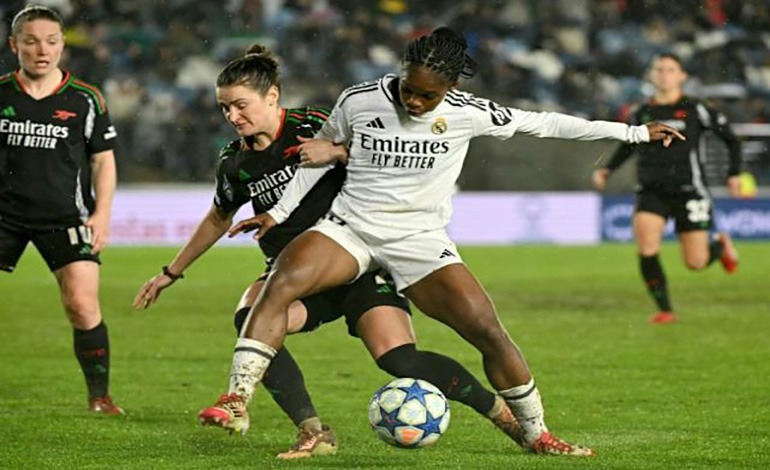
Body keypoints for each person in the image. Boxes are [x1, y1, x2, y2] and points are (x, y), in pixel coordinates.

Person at [199, 27, 685, 457]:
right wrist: (279, 213)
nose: (413, 102)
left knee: (487, 330)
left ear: (450, 90)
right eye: (409, 90)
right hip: (350, 226)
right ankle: (236, 398)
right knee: (279, 281)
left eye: (426, 98)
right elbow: (318, 157)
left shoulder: (469, 113)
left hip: (419, 239)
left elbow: (548, 122)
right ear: (401, 74)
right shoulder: (359, 99)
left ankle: (536, 433)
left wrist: (635, 132)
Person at [134, 44, 527, 459]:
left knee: (400, 361)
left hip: (359, 261)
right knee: (253, 318)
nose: (233, 117)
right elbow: (218, 217)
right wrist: (171, 272)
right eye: (225, 109)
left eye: (240, 105)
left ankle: (502, 414)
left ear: (273, 96)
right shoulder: (234, 163)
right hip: (297, 278)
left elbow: (388, 151)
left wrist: (344, 154)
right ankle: (312, 430)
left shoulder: (314, 125)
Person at [0, 5, 122, 415]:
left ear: (62, 46)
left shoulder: (85, 99)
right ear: (14, 44)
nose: (42, 50)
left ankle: (100, 397)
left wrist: (101, 214)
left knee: (82, 305)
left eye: (52, 42)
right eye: (32, 41)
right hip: (4, 215)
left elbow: (102, 160)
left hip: (66, 217)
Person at [592, 53, 741, 324]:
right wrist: (608, 169)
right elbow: (629, 143)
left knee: (695, 263)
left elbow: (731, 139)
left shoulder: (696, 108)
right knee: (647, 247)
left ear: (682, 76)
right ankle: (665, 309)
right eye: (658, 69)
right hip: (651, 190)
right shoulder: (642, 112)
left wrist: (734, 174)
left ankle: (719, 247)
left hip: (689, 190)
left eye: (670, 69)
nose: (663, 74)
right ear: (651, 75)